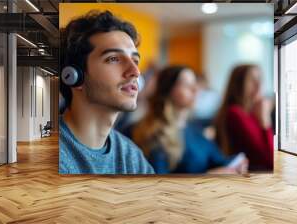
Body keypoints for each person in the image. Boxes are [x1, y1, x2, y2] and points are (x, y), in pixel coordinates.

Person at [59, 10, 154, 174]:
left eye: (135, 60)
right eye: (113, 59)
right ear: (73, 76)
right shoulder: (54, 156)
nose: (135, 72)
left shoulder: (130, 155)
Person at [125, 65, 248, 174]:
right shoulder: (154, 134)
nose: (195, 89)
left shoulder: (195, 129)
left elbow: (218, 160)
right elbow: (159, 186)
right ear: (168, 90)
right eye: (186, 84)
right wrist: (209, 177)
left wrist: (236, 164)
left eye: (194, 83)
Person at [214, 64, 273, 171]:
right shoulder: (235, 113)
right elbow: (269, 159)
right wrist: (265, 121)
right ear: (238, 84)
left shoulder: (251, 113)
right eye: (252, 80)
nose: (258, 84)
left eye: (259, 79)